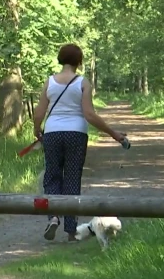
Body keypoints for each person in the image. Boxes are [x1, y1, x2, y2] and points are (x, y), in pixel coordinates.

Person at [33, 44, 127, 242]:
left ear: (60, 59)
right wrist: (113, 133)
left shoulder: (49, 82)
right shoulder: (83, 83)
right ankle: (70, 230)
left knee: (52, 176)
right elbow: (90, 114)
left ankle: (54, 217)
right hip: (76, 133)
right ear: (79, 61)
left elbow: (39, 112)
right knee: (72, 178)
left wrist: (37, 129)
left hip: (52, 133)